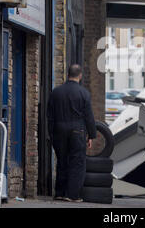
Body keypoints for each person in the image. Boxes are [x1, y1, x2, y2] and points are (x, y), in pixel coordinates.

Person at [47, 64, 97, 202]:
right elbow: (89, 116)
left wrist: (51, 133)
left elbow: (50, 116)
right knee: (77, 162)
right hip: (77, 130)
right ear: (80, 75)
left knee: (62, 161)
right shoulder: (84, 93)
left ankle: (60, 193)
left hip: (59, 130)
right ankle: (72, 195)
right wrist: (91, 135)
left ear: (67, 74)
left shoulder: (56, 92)